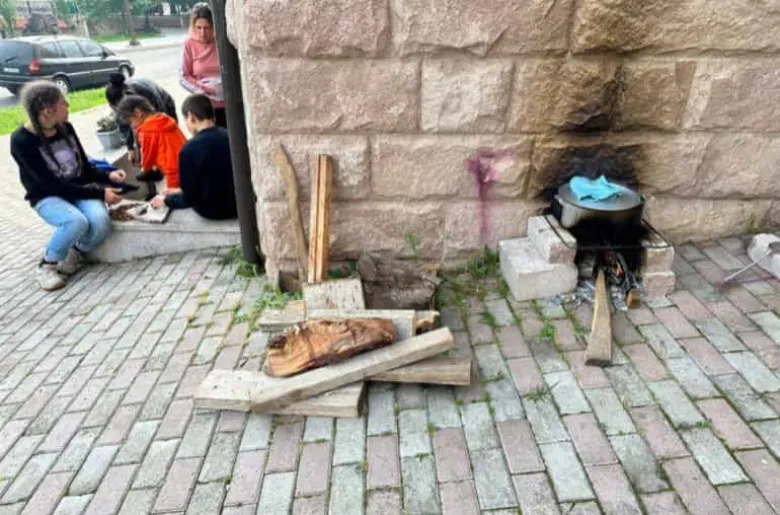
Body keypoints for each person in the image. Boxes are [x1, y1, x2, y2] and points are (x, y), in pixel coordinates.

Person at [10, 80, 125, 291]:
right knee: (76, 221)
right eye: (64, 103)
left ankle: (75, 251)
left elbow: (84, 167)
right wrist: (101, 193)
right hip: (47, 195)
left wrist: (109, 176)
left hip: (79, 189)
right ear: (47, 111)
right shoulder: (21, 141)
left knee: (101, 222)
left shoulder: (67, 128)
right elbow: (51, 185)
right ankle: (47, 265)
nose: (68, 107)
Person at [150, 94, 237, 220]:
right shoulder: (231, 136)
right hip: (237, 205)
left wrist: (166, 200)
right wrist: (179, 191)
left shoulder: (189, 150)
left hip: (211, 211)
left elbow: (189, 198)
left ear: (191, 117)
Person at [116, 95, 187, 191]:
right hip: (186, 159)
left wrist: (145, 169)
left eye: (130, 122)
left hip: (172, 170)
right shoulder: (165, 120)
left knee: (175, 194)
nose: (132, 126)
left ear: (138, 113)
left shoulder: (146, 131)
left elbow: (148, 153)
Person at [105, 73, 178, 166]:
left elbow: (161, 120)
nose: (131, 125)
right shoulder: (116, 99)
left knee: (167, 138)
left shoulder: (143, 92)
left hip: (163, 103)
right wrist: (130, 148)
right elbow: (125, 124)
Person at [179, 2, 226, 127]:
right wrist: (200, 89)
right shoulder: (189, 44)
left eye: (207, 28)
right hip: (203, 106)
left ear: (213, 27)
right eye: (198, 28)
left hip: (226, 103)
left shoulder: (221, 41)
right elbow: (184, 76)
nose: (202, 32)